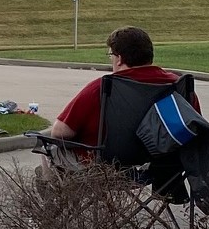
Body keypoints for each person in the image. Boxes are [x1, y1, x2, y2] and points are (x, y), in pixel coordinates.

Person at [46, 26, 197, 148]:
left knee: (52, 151)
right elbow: (194, 127)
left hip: (109, 166)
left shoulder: (103, 88)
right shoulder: (178, 85)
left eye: (110, 54)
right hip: (164, 166)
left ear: (119, 59)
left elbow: (60, 132)